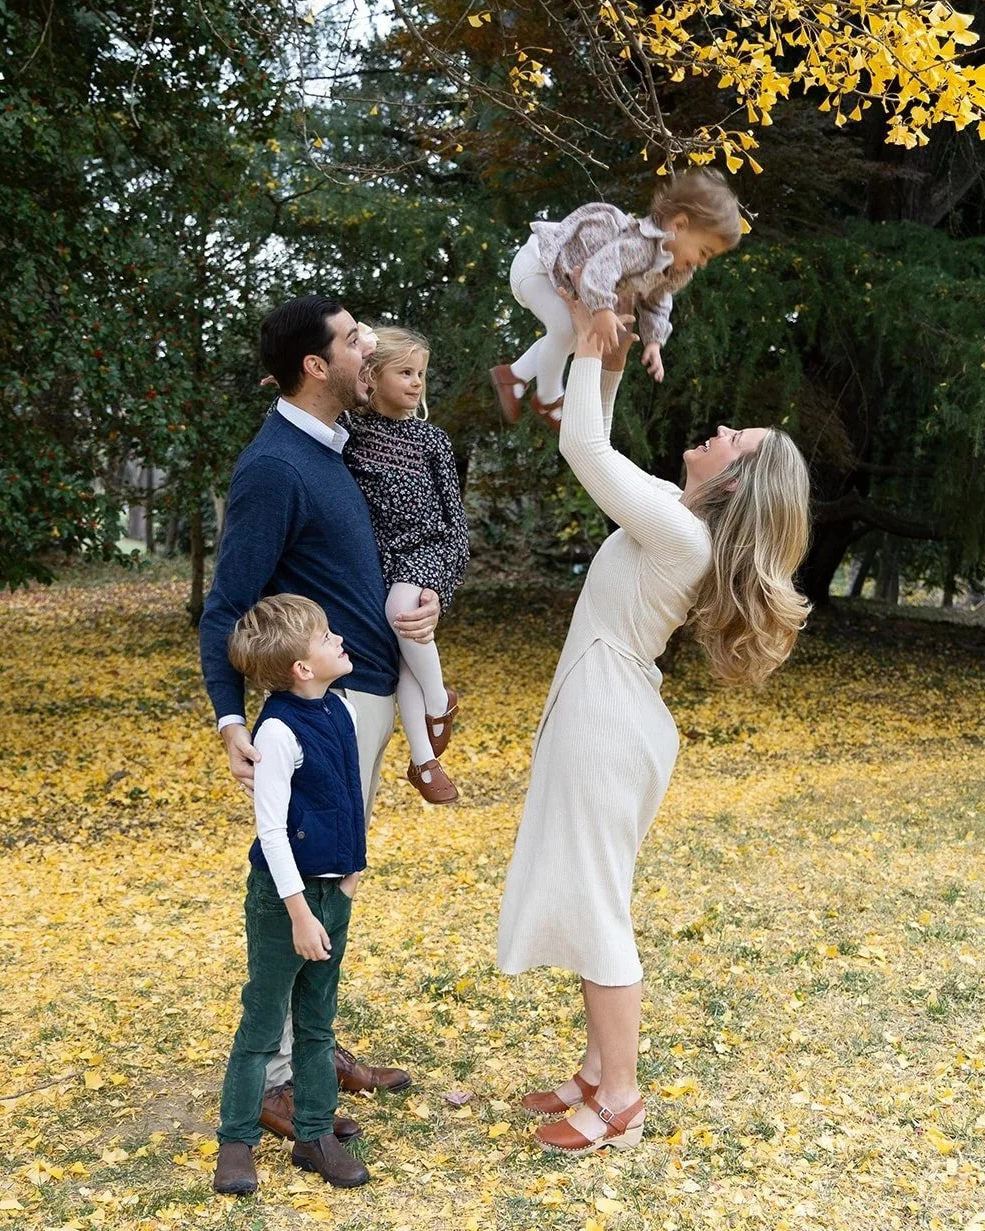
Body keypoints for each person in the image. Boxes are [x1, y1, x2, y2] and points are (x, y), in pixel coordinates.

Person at [496, 294, 811, 1156]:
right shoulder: (676, 514)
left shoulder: (679, 531)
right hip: (610, 711)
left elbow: (582, 445)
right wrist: (610, 351)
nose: (714, 432)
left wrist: (597, 350)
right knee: (599, 893)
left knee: (599, 907)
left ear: (735, 479)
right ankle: (597, 1071)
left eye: (730, 440)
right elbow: (599, 443)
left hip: (608, 719)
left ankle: (621, 1101)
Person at [199, 296, 441, 1141]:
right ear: (316, 364)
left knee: (336, 879)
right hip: (322, 708)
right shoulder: (275, 466)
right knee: (298, 874)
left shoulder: (336, 449)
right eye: (351, 339)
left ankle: (311, 1049)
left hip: (363, 699)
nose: (366, 347)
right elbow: (226, 606)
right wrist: (231, 720)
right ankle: (272, 1076)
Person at [214, 595, 369, 1196]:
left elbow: (350, 797)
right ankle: (236, 1139)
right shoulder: (277, 729)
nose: (340, 639)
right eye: (328, 635)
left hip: (333, 892)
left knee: (317, 1021)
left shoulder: (342, 710)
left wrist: (352, 873)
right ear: (302, 667)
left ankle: (313, 1133)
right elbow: (271, 830)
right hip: (285, 902)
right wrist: (300, 912)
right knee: (263, 1019)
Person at [489, 168, 742, 431]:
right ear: (679, 225)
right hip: (539, 263)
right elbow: (599, 269)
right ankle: (548, 399)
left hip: (554, 279)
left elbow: (658, 302)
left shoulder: (673, 270)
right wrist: (602, 310)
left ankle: (513, 376)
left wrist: (654, 341)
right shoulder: (639, 245)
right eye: (704, 251)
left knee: (575, 336)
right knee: (566, 328)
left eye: (709, 258)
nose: (702, 262)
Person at [341, 326, 470, 804]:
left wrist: (445, 578)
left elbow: (454, 519)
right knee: (403, 653)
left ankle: (440, 701)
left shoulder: (431, 439)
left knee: (403, 611)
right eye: (406, 372)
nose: (418, 383)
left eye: (422, 374)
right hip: (385, 556)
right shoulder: (351, 431)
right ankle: (422, 760)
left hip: (430, 548)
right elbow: (303, 411)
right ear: (371, 376)